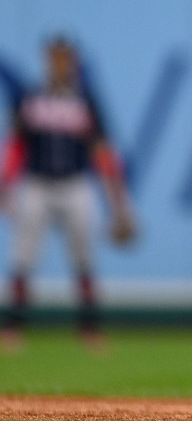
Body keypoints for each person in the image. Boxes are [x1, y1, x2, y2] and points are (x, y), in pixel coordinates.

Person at [0, 36, 136, 350]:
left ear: (73, 61)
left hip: (75, 183)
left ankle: (89, 327)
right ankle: (12, 326)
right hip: (37, 183)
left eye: (66, 57)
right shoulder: (31, 97)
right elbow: (17, 146)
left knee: (84, 256)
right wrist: (6, 186)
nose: (60, 63)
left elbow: (102, 151)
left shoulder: (85, 100)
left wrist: (118, 202)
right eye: (55, 57)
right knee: (23, 255)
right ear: (47, 60)